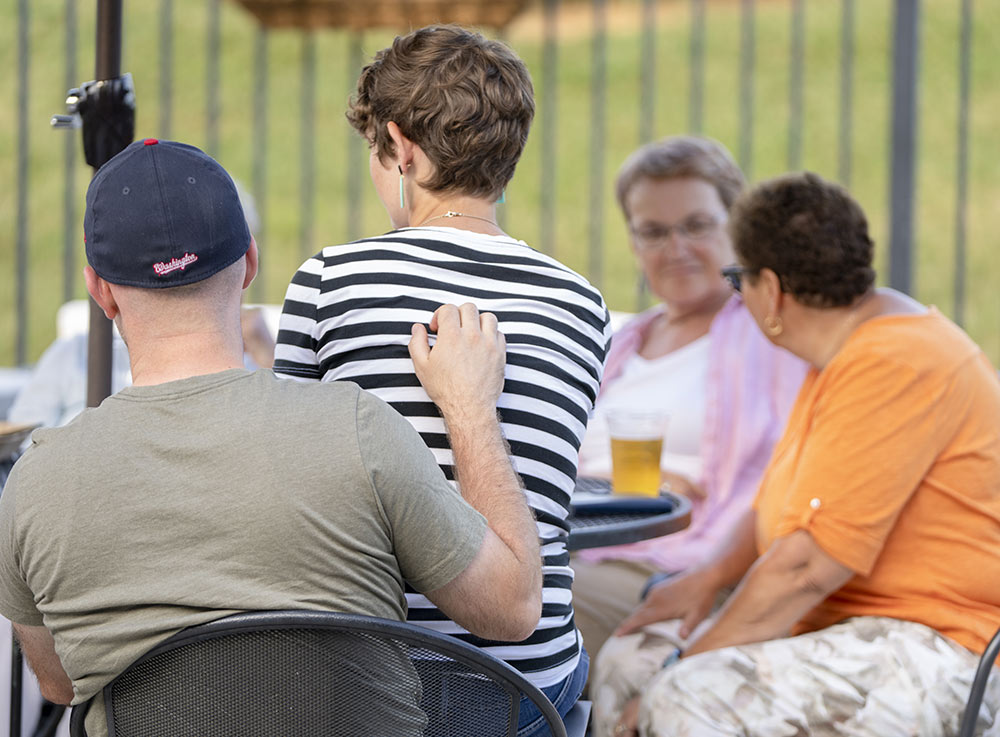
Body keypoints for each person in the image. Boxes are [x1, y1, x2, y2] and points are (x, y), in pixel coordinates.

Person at [0, 138, 543, 737]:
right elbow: (511, 610)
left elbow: (59, 683)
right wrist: (470, 409)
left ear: (100, 290)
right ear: (250, 263)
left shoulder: (35, 485)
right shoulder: (356, 430)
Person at [274, 25, 610, 735]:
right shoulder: (580, 302)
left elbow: (289, 486)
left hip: (367, 684)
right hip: (526, 689)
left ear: (401, 147)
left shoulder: (332, 278)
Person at [592, 172, 1000, 737]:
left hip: (938, 643)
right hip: (847, 629)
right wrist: (705, 578)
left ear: (773, 290)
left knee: (687, 696)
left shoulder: (896, 361)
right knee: (628, 660)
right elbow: (775, 509)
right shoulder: (845, 356)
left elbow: (805, 568)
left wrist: (687, 663)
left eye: (738, 280)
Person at [572, 137, 806, 661]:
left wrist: (677, 484)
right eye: (653, 232)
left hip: (677, 563)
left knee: (520, 608)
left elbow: (791, 471)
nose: (675, 248)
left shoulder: (772, 336)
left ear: (736, 227)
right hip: (583, 541)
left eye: (696, 226)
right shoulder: (622, 342)